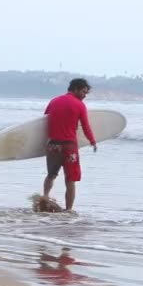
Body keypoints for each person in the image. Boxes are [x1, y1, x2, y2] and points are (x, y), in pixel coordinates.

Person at [40, 78, 97, 211]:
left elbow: (43, 121)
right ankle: (68, 210)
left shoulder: (54, 101)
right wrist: (92, 141)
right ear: (76, 89)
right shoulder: (80, 105)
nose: (85, 95)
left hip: (53, 145)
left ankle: (45, 198)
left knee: (51, 174)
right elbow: (86, 126)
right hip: (69, 147)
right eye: (84, 92)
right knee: (70, 180)